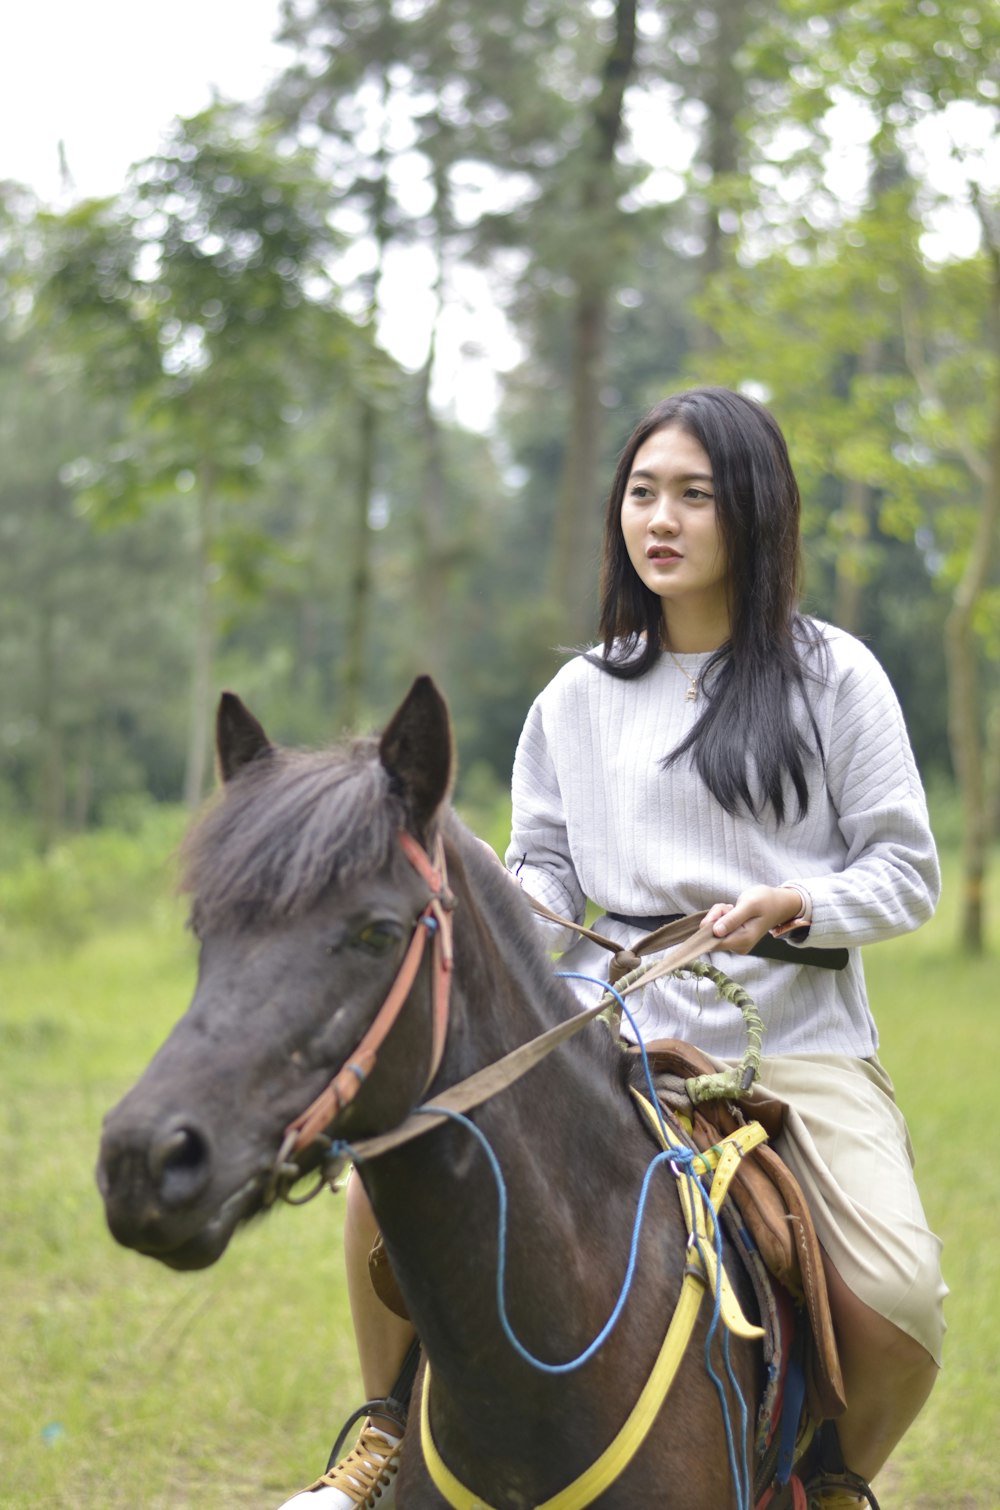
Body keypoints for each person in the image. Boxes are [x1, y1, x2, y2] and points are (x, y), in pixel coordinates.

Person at [281, 386, 945, 1509]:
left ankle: (827, 1482)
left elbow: (904, 871)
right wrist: (511, 902)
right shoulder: (575, 697)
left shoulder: (835, 676)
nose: (662, 520)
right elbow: (542, 864)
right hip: (595, 1031)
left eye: (694, 494)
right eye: (643, 493)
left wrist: (789, 902)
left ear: (752, 512)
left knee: (900, 1299)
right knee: (383, 1182)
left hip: (787, 1044)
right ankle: (386, 1429)